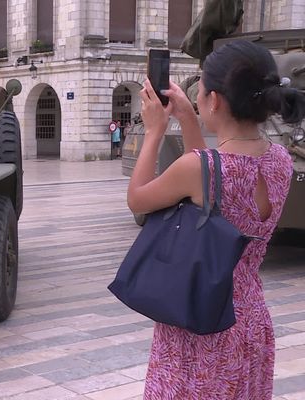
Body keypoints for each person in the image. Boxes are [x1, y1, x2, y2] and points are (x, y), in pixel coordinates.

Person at [129, 40, 305, 399]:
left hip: (201, 321)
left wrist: (154, 131)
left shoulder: (200, 168)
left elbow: (138, 198)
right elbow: (212, 182)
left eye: (202, 90)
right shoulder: (280, 160)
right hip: (249, 318)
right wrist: (189, 119)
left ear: (216, 101)